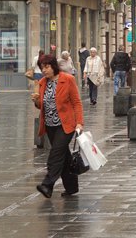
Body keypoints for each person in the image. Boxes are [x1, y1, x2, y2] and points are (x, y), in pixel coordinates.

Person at [32, 54, 84, 198]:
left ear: (54, 66)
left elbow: (76, 102)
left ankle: (47, 184)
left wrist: (79, 122)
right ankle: (72, 188)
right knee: (64, 156)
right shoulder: (43, 82)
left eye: (47, 67)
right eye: (42, 67)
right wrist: (36, 101)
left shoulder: (68, 80)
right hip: (50, 125)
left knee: (55, 153)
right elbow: (42, 106)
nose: (44, 70)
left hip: (66, 124)